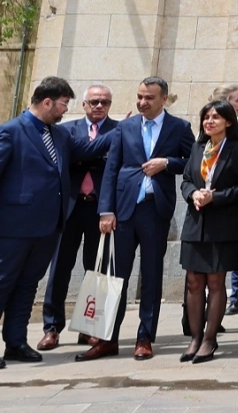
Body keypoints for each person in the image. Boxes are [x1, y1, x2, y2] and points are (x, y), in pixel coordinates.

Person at [79, 75, 195, 362]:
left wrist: (167, 163)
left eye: (149, 98)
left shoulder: (179, 128)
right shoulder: (125, 127)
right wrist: (106, 210)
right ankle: (108, 338)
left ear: (164, 99)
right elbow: (111, 169)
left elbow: (193, 162)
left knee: (152, 275)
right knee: (116, 276)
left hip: (155, 210)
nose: (142, 102)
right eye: (140, 96)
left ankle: (145, 337)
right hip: (123, 210)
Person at [0, 77, 110, 367]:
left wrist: (125, 129)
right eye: (63, 104)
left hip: (48, 227)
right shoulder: (11, 131)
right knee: (3, 282)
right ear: (47, 102)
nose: (65, 110)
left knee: (27, 285)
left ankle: (16, 342)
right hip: (13, 227)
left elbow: (89, 150)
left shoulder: (59, 136)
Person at [177, 100, 238, 364]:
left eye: (216, 117)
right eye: (206, 117)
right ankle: (195, 337)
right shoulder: (198, 147)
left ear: (228, 122)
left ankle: (210, 339)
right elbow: (186, 180)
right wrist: (193, 194)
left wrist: (216, 197)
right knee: (193, 281)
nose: (209, 121)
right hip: (195, 224)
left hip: (223, 226)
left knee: (215, 282)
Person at [39, 84, 113, 352]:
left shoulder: (120, 129)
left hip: (99, 209)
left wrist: (84, 158)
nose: (99, 106)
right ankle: (51, 327)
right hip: (69, 207)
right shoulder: (65, 130)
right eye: (94, 101)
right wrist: (94, 156)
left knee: (96, 270)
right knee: (59, 267)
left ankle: (88, 327)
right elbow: (67, 160)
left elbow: (113, 166)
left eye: (104, 102)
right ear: (84, 104)